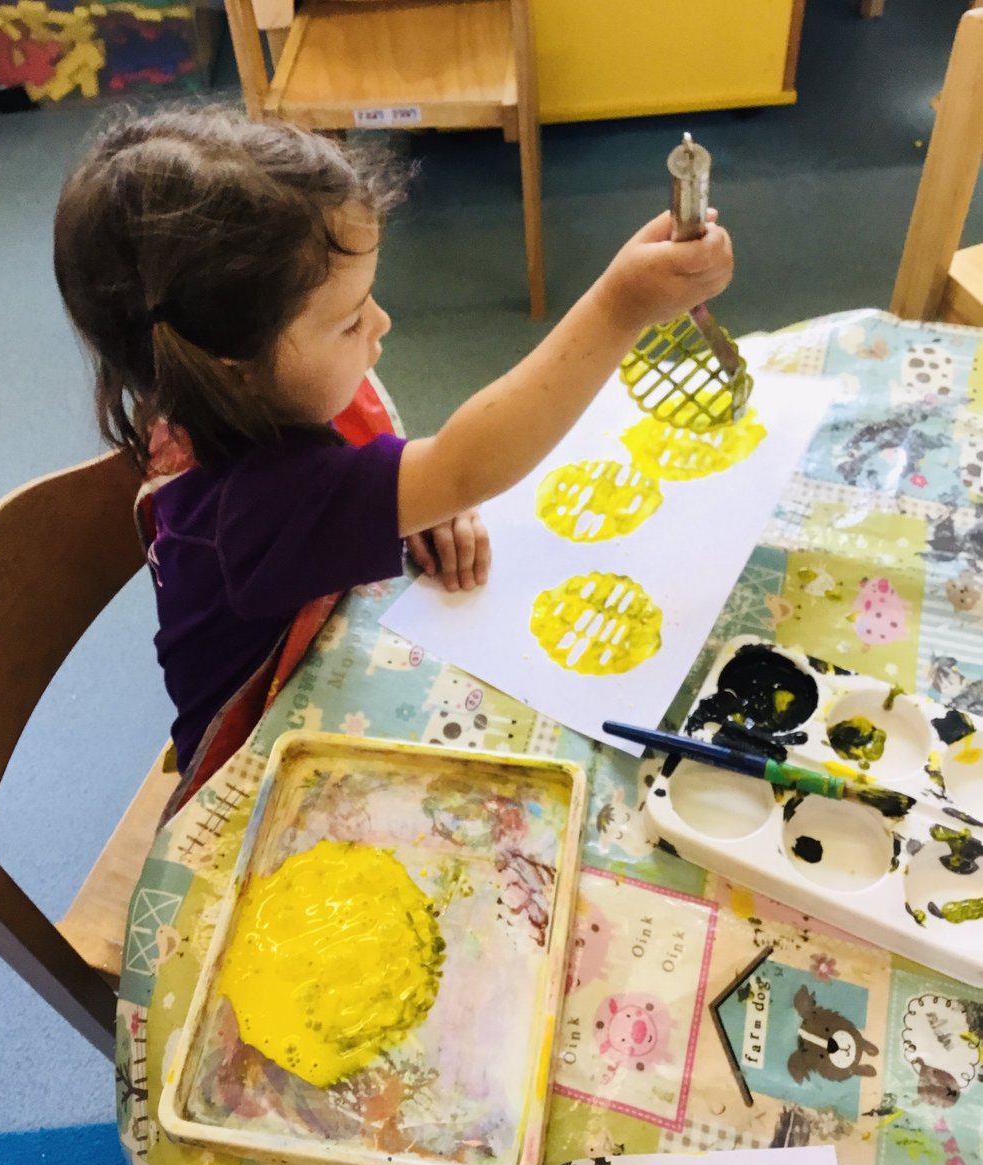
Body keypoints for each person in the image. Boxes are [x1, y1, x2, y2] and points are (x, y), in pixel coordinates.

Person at [53, 107, 733, 781]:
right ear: (232, 362)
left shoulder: (207, 387)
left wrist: (414, 500)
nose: (382, 324)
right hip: (254, 773)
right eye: (350, 323)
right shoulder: (254, 508)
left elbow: (415, 477)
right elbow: (468, 464)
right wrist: (620, 308)